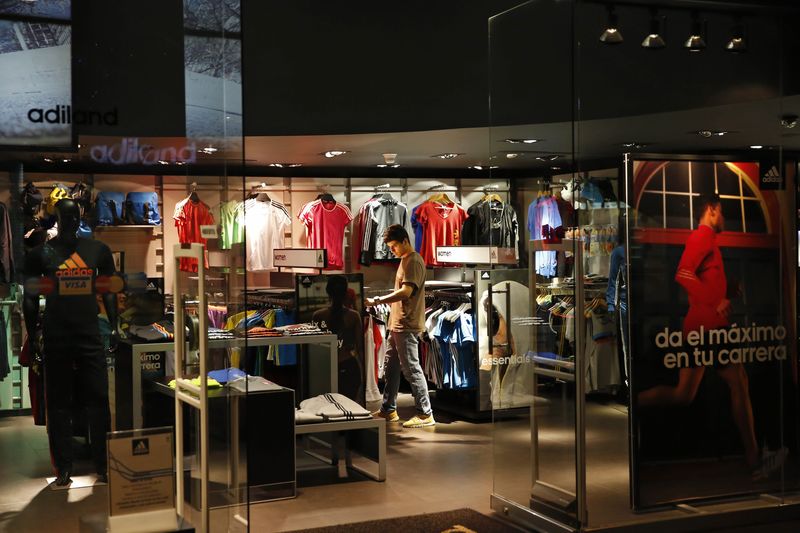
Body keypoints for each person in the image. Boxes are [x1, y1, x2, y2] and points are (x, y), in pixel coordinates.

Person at [637, 194, 783, 480]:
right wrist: (715, 301)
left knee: (683, 395)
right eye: (723, 213)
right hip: (709, 328)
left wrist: (726, 289)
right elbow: (683, 273)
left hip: (701, 327)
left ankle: (634, 401)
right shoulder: (702, 237)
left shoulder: (706, 241)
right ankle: (754, 460)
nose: (725, 218)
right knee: (739, 381)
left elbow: (700, 279)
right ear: (712, 210)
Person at [24, 198, 118, 486]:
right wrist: (34, 335)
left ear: (80, 219)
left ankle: (103, 464)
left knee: (99, 400)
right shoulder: (41, 254)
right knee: (59, 404)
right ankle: (63, 468)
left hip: (89, 334)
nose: (72, 222)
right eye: (67, 218)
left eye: (76, 217)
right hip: (57, 335)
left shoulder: (97, 250)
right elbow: (30, 298)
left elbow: (109, 290)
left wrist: (114, 327)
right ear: (58, 220)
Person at [365, 224, 434, 428]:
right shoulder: (405, 260)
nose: (392, 250)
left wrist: (378, 300)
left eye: (394, 245)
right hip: (397, 323)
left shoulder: (413, 261)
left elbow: (406, 292)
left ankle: (425, 413)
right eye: (390, 247)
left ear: (405, 241)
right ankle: (388, 409)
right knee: (392, 367)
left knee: (411, 368)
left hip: (407, 324)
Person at [312, 275, 365, 405]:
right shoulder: (354, 316)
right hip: (349, 367)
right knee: (348, 408)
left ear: (328, 292)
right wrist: (365, 378)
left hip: (324, 368)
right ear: (346, 293)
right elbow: (360, 349)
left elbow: (313, 348)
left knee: (327, 408)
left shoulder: (318, 316)